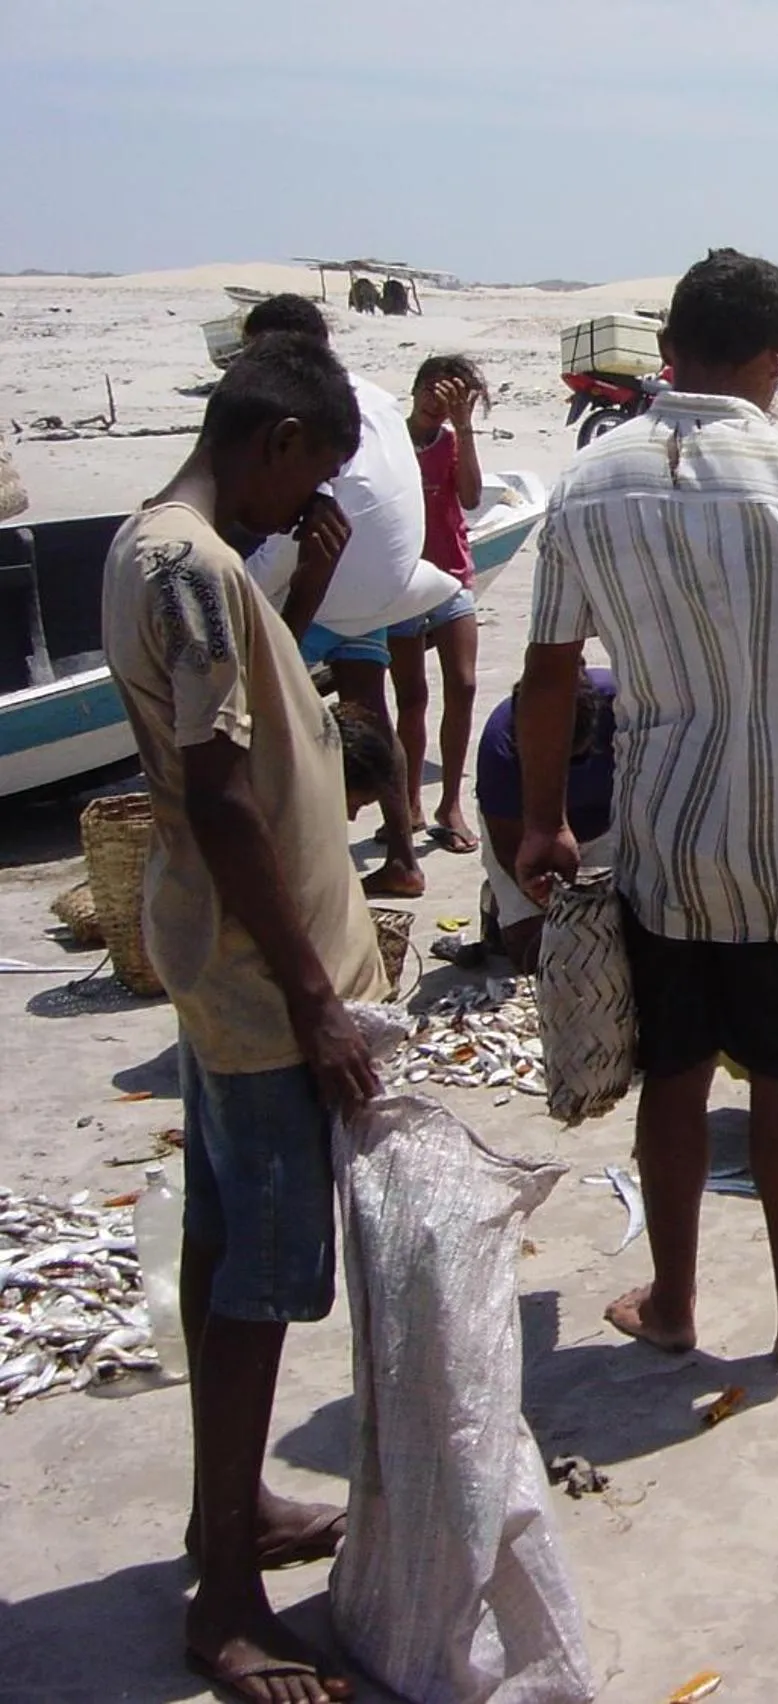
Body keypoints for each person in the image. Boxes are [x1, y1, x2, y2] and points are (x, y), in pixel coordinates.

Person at [516, 248, 778, 1365]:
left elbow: (549, 672)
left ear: (666, 351)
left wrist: (543, 816)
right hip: (773, 848)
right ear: (774, 357)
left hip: (657, 839)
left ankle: (674, 1301)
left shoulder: (588, 483)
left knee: (677, 1073)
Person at [100, 333, 387, 1704]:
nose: (301, 501)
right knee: (264, 1277)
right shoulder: (198, 573)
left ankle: (234, 1513)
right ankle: (224, 1596)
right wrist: (318, 997)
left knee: (224, 1237)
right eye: (307, 477)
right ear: (273, 443)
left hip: (215, 959)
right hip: (261, 983)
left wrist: (300, 586)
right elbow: (219, 793)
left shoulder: (157, 548)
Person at [241, 293, 428, 899]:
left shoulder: (297, 407)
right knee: (371, 711)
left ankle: (293, 862)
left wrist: (235, 584)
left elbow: (299, 528)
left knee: (268, 720)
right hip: (385, 588)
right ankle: (403, 856)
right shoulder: (374, 397)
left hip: (329, 587)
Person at [388, 354, 488, 855]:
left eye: (449, 393)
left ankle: (450, 803)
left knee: (464, 686)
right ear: (416, 388)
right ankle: (408, 803)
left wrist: (465, 429)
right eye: (431, 387)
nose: (436, 399)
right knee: (411, 698)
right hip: (403, 583)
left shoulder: (451, 443)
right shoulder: (389, 441)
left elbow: (470, 499)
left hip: (450, 578)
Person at [473, 667, 617, 973]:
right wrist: (550, 901)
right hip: (526, 836)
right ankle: (499, 906)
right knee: (545, 956)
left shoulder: (623, 704)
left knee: (616, 943)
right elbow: (509, 846)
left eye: (575, 761)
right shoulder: (499, 749)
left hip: (608, 824)